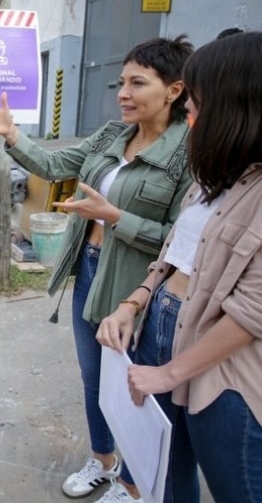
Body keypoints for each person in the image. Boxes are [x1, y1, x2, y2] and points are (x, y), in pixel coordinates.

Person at [0, 36, 194, 503]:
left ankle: (133, 485)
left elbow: (181, 240)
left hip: (138, 286)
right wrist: (12, 134)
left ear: (174, 90)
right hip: (89, 271)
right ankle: (104, 461)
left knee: (135, 388)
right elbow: (54, 165)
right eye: (121, 83)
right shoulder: (113, 135)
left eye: (138, 83)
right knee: (94, 379)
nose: (123, 93)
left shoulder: (187, 155)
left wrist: (116, 219)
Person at [98, 31, 262, 502]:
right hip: (164, 329)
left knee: (238, 487)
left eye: (196, 97)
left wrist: (171, 374)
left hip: (224, 370)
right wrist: (135, 303)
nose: (187, 107)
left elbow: (252, 312)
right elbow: (173, 254)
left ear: (236, 103)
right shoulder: (214, 177)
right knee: (163, 477)